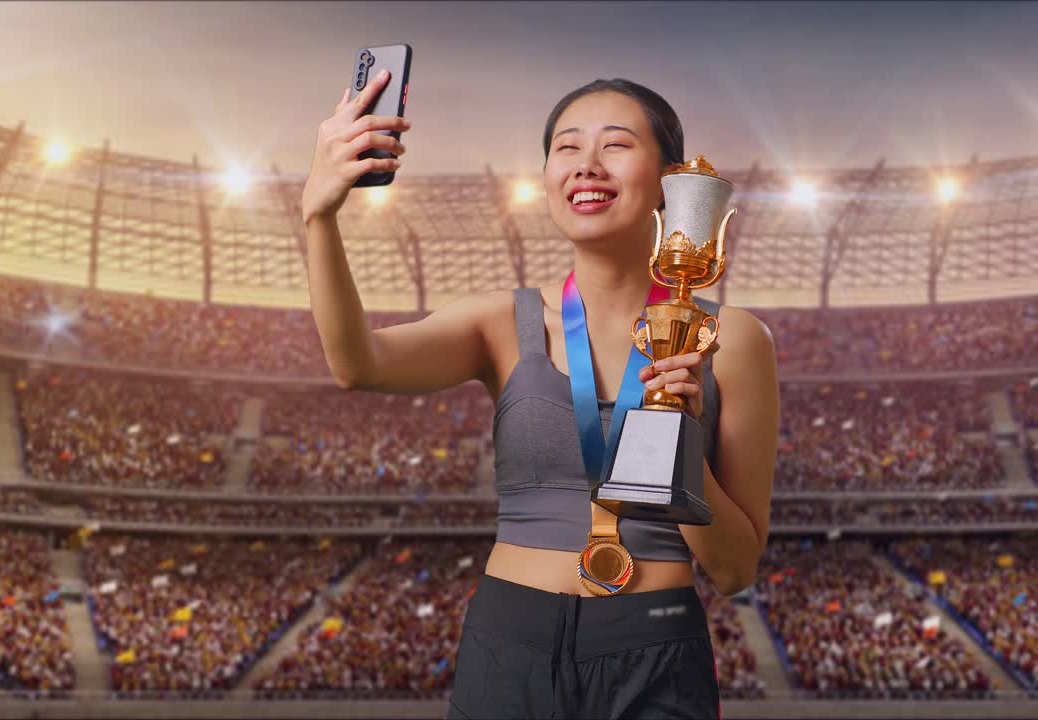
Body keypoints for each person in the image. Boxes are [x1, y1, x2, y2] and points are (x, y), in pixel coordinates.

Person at [302, 71, 779, 719]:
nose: (586, 164)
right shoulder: (501, 323)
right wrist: (318, 216)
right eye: (565, 147)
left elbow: (733, 571)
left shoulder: (733, 339)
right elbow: (357, 365)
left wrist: (678, 445)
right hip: (509, 639)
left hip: (656, 642)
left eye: (615, 145)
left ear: (670, 179)